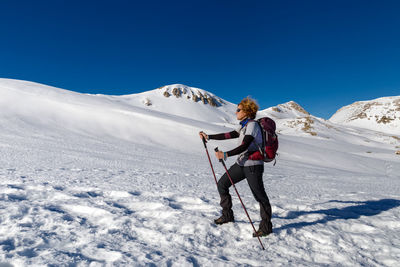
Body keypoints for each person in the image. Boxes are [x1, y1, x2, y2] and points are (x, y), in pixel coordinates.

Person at [199, 97, 273, 237]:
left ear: (246, 111)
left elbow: (244, 145)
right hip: (242, 163)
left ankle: (266, 227)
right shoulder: (244, 125)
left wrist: (225, 154)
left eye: (238, 110)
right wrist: (209, 137)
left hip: (253, 166)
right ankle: (227, 215)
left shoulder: (252, 126)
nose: (236, 112)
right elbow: (230, 134)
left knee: (260, 196)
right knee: (222, 184)